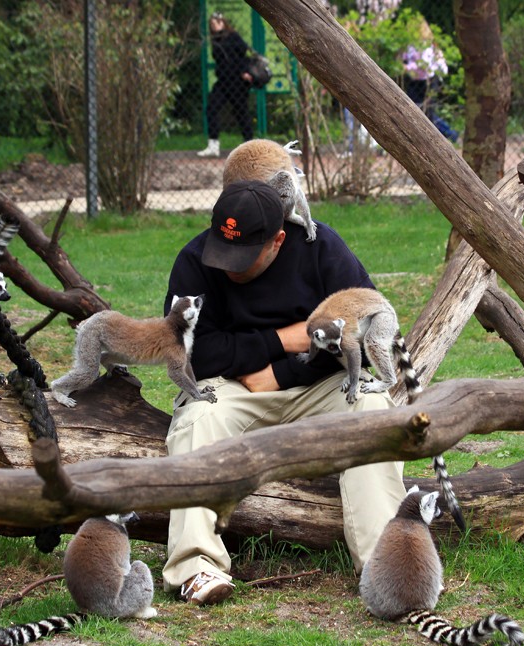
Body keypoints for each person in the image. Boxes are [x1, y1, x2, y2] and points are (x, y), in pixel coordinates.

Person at [161, 179, 407, 605]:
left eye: (243, 256)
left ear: (278, 240)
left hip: (319, 383)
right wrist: (283, 339)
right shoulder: (194, 259)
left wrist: (279, 372)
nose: (229, 266)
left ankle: (387, 568)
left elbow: (359, 343)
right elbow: (193, 353)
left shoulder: (322, 248)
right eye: (223, 250)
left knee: (372, 408)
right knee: (198, 419)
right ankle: (195, 567)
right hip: (234, 387)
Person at [197, 12, 254, 158]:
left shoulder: (233, 36)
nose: (214, 26)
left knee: (241, 112)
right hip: (223, 82)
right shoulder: (215, 40)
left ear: (223, 22)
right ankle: (213, 145)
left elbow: (243, 53)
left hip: (237, 82)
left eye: (217, 22)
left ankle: (250, 146)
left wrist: (244, 71)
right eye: (212, 24)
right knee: (212, 108)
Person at [400, 21, 459, 144]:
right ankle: (447, 134)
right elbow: (404, 57)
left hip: (428, 82)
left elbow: (424, 65)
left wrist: (408, 67)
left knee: (428, 112)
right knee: (413, 109)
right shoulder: (411, 45)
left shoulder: (427, 46)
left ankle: (448, 134)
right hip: (414, 82)